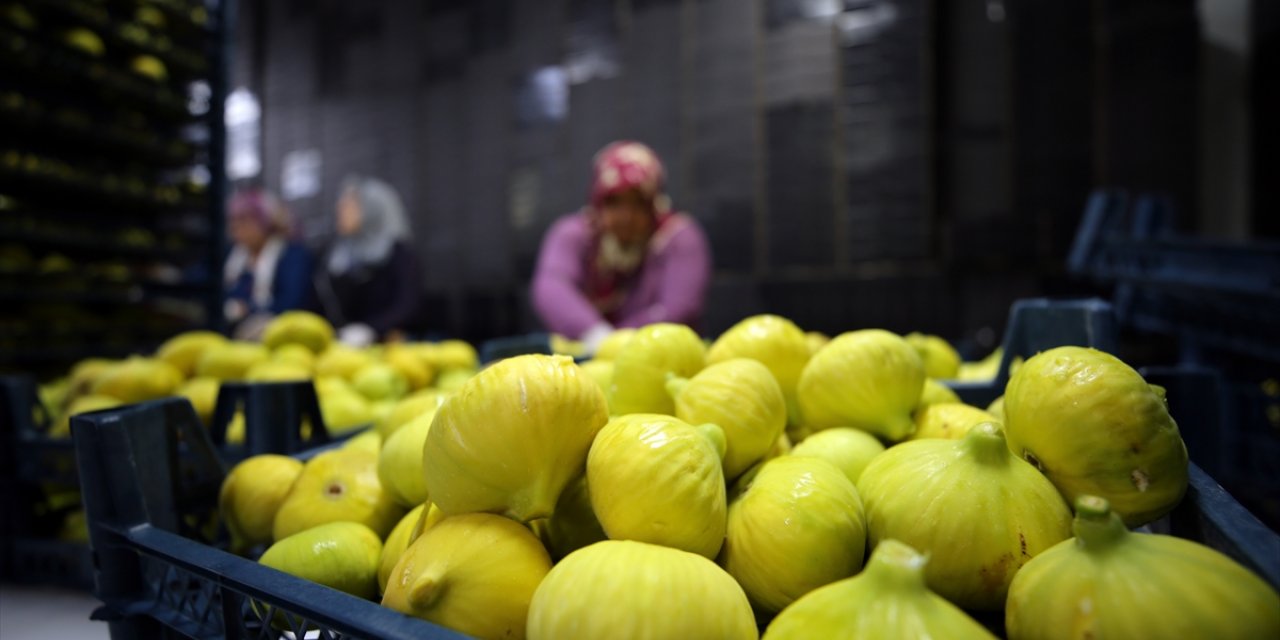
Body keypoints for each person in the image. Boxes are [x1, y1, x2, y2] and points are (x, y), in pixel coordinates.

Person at [532, 141, 712, 350]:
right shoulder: (575, 234)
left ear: (653, 204)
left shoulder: (678, 238)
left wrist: (614, 344)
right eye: (614, 202)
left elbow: (679, 308)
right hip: (587, 359)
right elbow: (551, 286)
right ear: (597, 202)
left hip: (660, 358)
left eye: (637, 203)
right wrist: (595, 334)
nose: (625, 216)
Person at [313, 176, 423, 346]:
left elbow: (407, 304)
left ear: (371, 209)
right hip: (345, 345)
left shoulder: (398, 253)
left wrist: (371, 329)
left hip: (392, 345)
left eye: (349, 205)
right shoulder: (338, 255)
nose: (339, 209)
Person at [222, 188, 313, 339]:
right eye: (233, 220)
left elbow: (291, 303)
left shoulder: (290, 255)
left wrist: (247, 309)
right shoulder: (232, 255)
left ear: (265, 221)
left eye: (245, 220)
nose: (237, 228)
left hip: (276, 332)